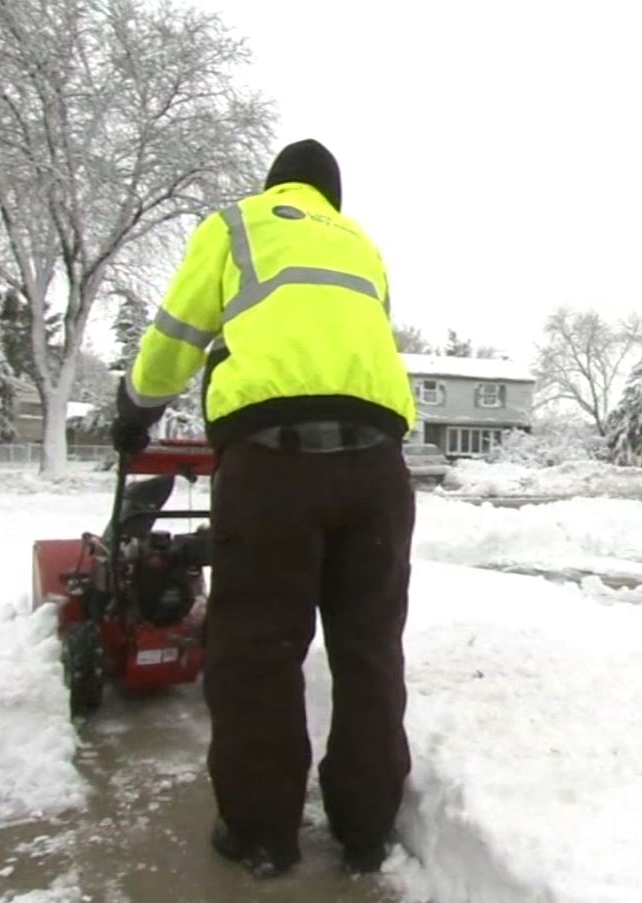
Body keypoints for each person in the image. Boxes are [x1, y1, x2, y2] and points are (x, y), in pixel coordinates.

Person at [110, 138, 417, 879]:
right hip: (378, 467)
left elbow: (178, 335)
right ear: (330, 198)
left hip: (273, 465)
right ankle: (366, 829)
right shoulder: (361, 245)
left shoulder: (238, 225)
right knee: (369, 647)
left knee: (257, 647)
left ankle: (262, 832)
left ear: (274, 185)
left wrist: (136, 409)